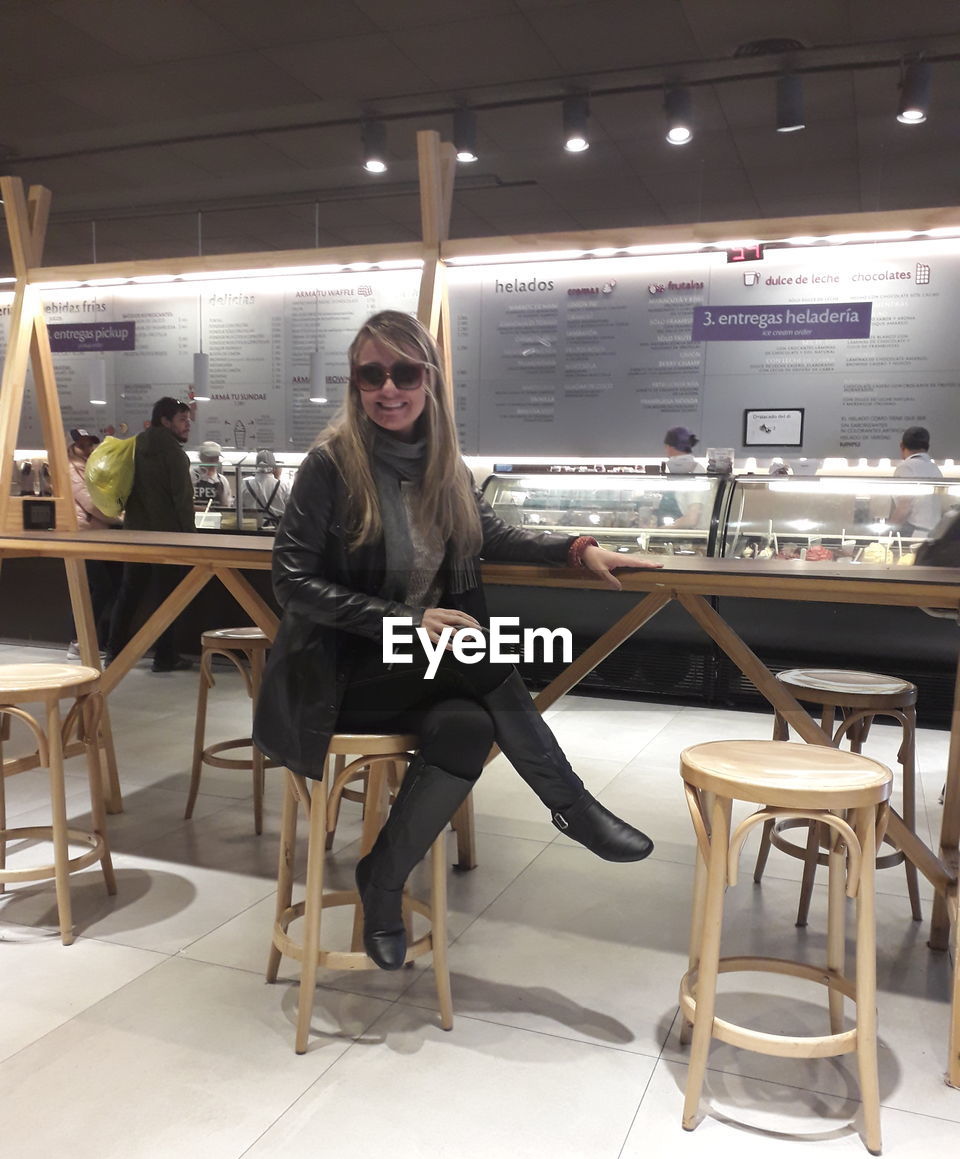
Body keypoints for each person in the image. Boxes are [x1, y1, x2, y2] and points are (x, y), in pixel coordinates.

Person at [253, 310, 658, 972]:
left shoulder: (446, 467)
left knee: (469, 726)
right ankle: (572, 805)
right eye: (372, 374)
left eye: (405, 372)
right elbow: (292, 583)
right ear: (355, 384)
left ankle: (381, 881)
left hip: (421, 672)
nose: (389, 388)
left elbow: (488, 535)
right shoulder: (331, 465)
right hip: (337, 678)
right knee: (486, 653)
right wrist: (405, 621)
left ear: (430, 380)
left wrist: (576, 547)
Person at [106, 397, 195, 672]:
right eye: (182, 419)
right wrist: (191, 539)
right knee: (168, 598)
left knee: (130, 593)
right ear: (165, 422)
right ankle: (165, 655)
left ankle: (114, 652)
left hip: (135, 534)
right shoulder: (174, 454)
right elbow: (182, 500)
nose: (187, 424)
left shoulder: (134, 447)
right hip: (167, 537)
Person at [65, 429, 122, 659]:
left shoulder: (91, 468)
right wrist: (119, 517)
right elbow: (91, 504)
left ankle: (85, 641)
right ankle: (78, 642)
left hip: (97, 535)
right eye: (82, 445)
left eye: (90, 445)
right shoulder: (70, 470)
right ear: (72, 447)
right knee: (101, 587)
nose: (88, 450)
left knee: (97, 588)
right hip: (82, 535)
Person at [890, 426, 943, 537]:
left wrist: (887, 533)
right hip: (935, 534)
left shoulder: (905, 467)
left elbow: (904, 507)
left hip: (915, 535)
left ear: (901, 446)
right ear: (927, 447)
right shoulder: (935, 468)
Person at [661, 426, 704, 529]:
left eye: (666, 446)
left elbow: (691, 520)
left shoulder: (694, 471)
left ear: (670, 447)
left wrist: (658, 530)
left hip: (696, 537)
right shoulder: (683, 469)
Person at [241, 449, 292, 527]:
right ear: (274, 467)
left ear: (256, 466)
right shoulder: (284, 486)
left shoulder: (244, 485)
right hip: (276, 530)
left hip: (252, 529)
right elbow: (291, 511)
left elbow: (236, 509)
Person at [191, 440, 235, 508]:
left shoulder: (222, 480)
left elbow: (226, 504)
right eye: (210, 458)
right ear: (201, 458)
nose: (214, 461)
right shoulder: (191, 476)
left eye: (216, 458)